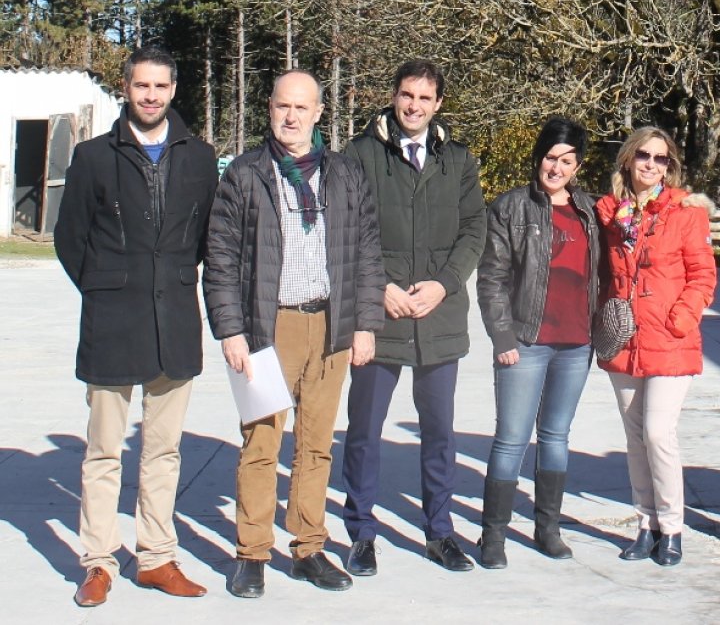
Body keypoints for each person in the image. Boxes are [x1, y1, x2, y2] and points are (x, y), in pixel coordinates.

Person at [204, 70, 385, 599]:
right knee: (261, 442)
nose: (291, 116)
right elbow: (220, 258)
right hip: (268, 326)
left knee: (316, 445)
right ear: (269, 107)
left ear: (318, 114)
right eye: (283, 106)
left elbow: (367, 252)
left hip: (330, 325)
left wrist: (365, 324)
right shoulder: (245, 174)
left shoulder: (346, 175)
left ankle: (308, 546)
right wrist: (231, 331)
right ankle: (252, 552)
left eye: (302, 108)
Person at [55, 46, 217, 607]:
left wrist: (168, 281)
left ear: (174, 90)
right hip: (112, 321)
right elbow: (70, 238)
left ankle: (155, 558)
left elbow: (203, 242)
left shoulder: (199, 157)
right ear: (126, 88)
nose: (151, 95)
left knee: (162, 450)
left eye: (161, 87)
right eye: (141, 86)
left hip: (174, 320)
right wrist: (108, 287)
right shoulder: (94, 156)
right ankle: (98, 562)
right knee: (103, 451)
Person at [340, 59, 486, 575]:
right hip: (378, 317)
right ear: (394, 95)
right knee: (365, 430)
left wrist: (444, 284)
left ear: (438, 103)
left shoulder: (458, 159)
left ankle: (440, 532)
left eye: (425, 98)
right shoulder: (359, 156)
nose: (414, 106)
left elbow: (474, 230)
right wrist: (378, 287)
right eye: (407, 95)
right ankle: (360, 532)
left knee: (440, 433)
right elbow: (345, 229)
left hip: (438, 316)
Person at [475, 116, 599, 569]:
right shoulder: (510, 208)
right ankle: (493, 535)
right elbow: (491, 278)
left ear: (577, 166)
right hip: (526, 340)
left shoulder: (590, 210)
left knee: (556, 437)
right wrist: (502, 335)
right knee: (511, 439)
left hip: (576, 343)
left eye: (567, 161)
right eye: (551, 157)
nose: (557, 167)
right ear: (538, 157)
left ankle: (547, 528)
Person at [596, 126, 717, 567]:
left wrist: (679, 319)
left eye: (661, 159)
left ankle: (672, 527)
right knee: (633, 438)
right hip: (625, 338)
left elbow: (703, 276)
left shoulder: (685, 213)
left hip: (669, 338)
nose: (651, 164)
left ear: (670, 165)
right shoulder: (610, 213)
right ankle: (644, 522)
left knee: (657, 433)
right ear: (628, 159)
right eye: (643, 156)